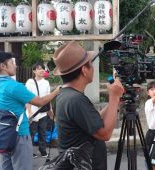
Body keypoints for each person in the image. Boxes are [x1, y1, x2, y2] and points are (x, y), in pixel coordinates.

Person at [53, 41, 124, 169]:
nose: (93, 67)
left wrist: (115, 103)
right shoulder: (75, 100)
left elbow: (93, 120)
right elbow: (104, 134)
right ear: (84, 70)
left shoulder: (66, 95)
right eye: (90, 64)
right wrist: (113, 97)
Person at [0, 51, 60, 170]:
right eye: (12, 62)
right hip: (19, 135)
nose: (15, 65)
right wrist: (56, 91)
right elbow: (39, 102)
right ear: (3, 66)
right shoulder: (14, 86)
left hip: (2, 135)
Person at [25, 62, 52, 158]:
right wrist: (29, 111)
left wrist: (50, 111)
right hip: (32, 113)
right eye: (39, 68)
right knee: (31, 133)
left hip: (43, 112)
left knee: (43, 133)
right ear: (34, 71)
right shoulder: (30, 82)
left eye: (42, 68)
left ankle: (43, 151)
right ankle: (29, 152)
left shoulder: (46, 83)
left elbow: (48, 98)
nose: (41, 70)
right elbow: (26, 98)